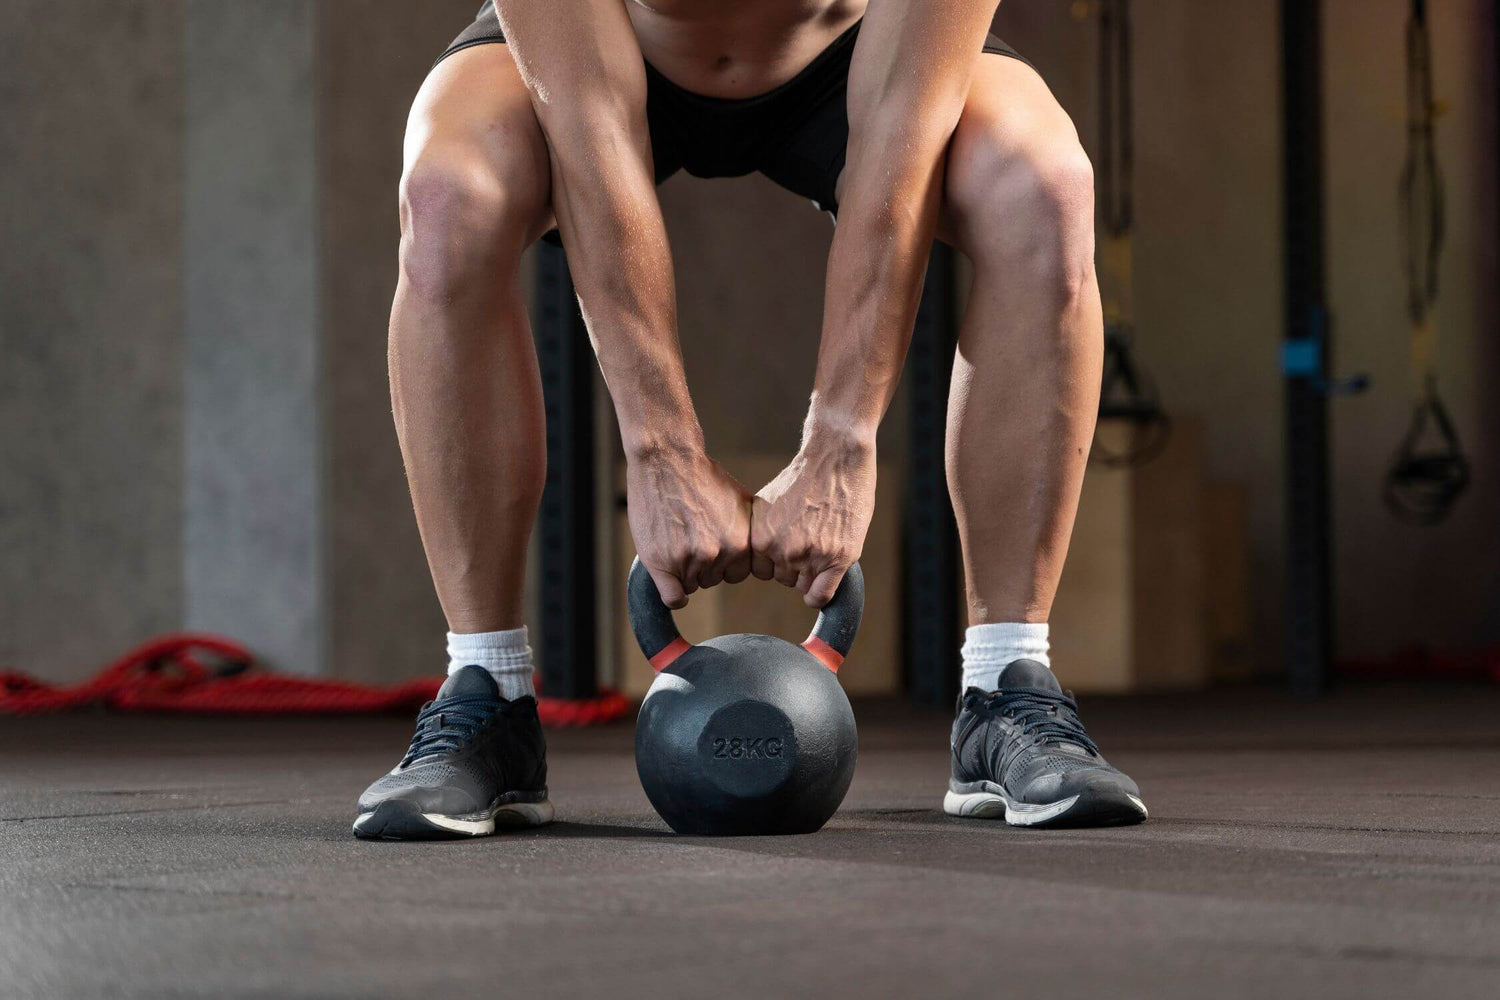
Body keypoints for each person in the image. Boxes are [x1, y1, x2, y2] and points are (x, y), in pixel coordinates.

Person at [353, 0, 1147, 839]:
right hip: (603, 57)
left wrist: (841, 441)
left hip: (852, 54)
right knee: (447, 197)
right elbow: (589, 127)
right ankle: (489, 693)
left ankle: (1004, 685)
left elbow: (900, 130)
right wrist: (661, 452)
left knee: (1044, 190)